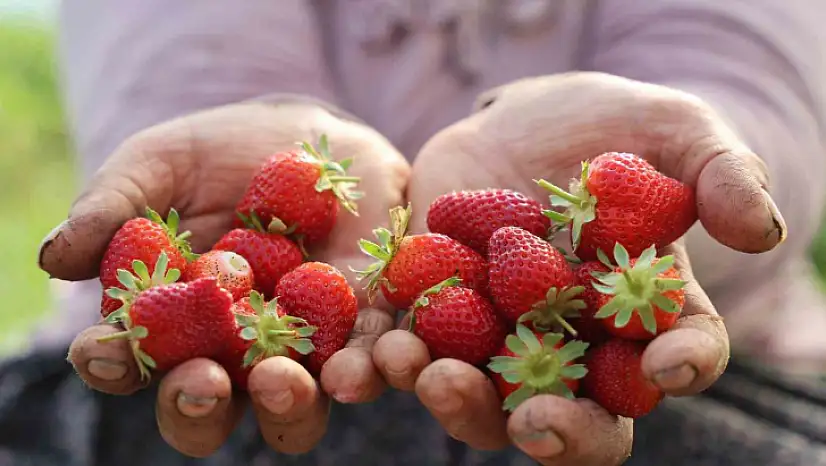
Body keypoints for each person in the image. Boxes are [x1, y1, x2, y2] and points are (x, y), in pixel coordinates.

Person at [2, 1, 826, 465]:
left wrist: (664, 195)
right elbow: (181, 84)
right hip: (187, 373)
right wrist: (263, 141)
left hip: (714, 365)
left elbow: (760, 104)